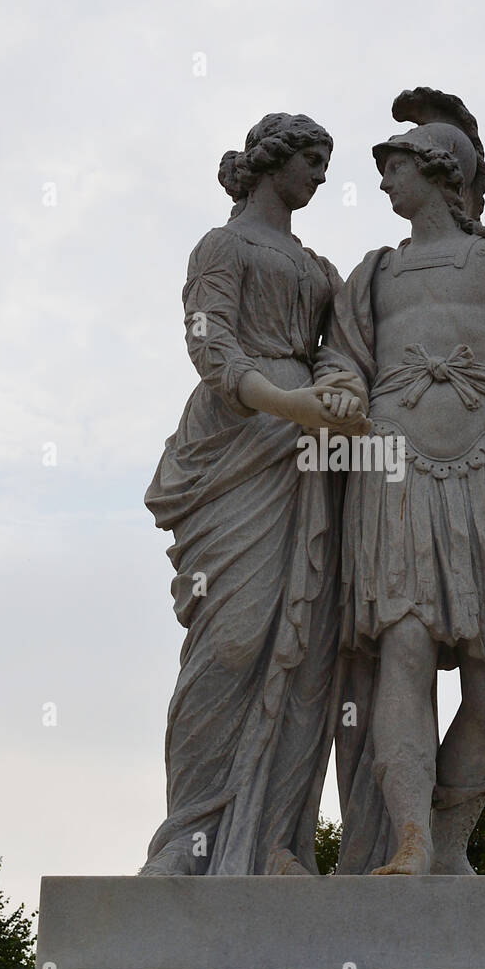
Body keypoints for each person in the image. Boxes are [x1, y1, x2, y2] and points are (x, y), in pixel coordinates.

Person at [317, 88, 485, 875]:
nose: (385, 182)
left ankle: (452, 834)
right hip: (391, 465)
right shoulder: (373, 272)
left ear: (435, 170)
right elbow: (342, 365)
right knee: (404, 647)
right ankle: (409, 841)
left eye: (394, 166)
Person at [140, 112, 366, 877]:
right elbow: (209, 341)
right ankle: (188, 839)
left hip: (305, 455)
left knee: (302, 650)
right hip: (239, 440)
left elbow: (343, 352)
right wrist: (287, 401)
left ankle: (274, 840)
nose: (320, 177)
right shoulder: (223, 245)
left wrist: (334, 389)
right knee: (232, 639)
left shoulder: (320, 268)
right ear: (273, 162)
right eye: (312, 159)